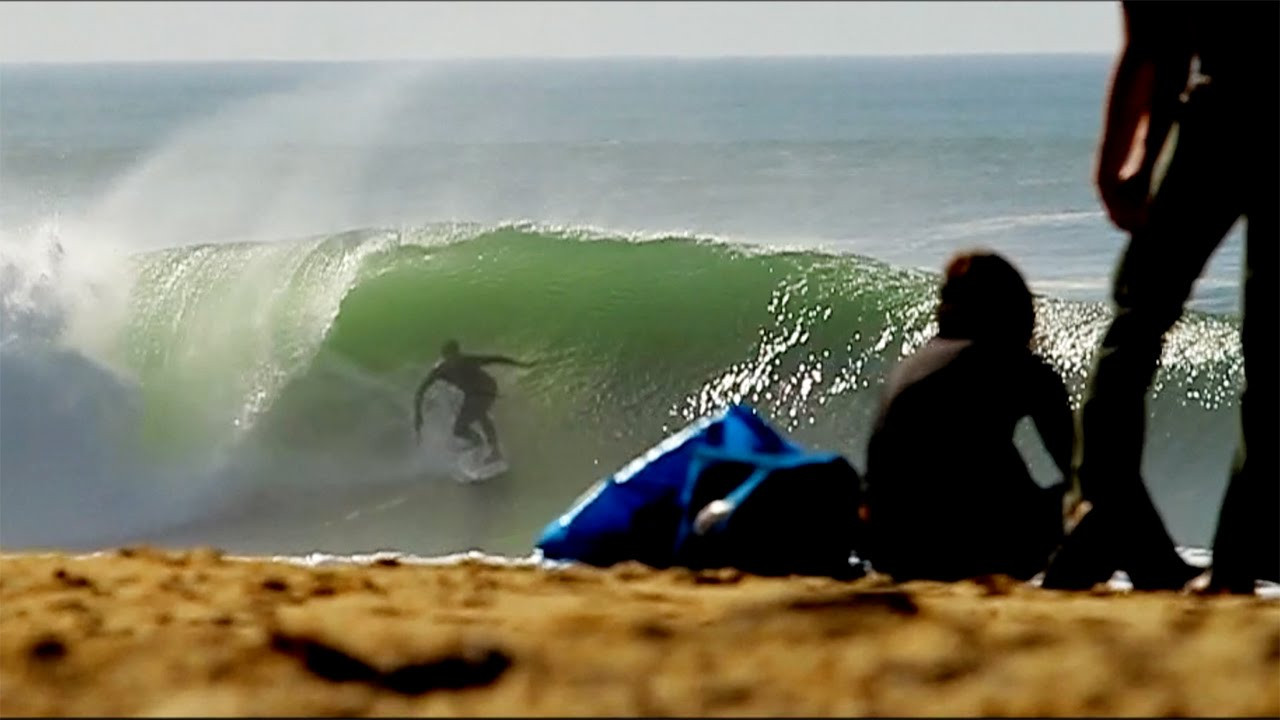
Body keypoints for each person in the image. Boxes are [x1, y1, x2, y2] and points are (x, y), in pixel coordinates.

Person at [1042, 2, 1278, 593]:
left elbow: (1155, 46)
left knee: (1137, 321)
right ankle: (1237, 560)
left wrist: (1124, 168)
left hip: (1222, 112)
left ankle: (1100, 508)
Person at [862, 251, 1073, 582]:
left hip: (891, 551)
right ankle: (1153, 573)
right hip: (969, 553)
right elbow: (1083, 467)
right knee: (1098, 498)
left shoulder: (912, 365)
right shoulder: (1016, 366)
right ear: (1010, 311)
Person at [412, 340, 531, 463]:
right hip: (480, 390)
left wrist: (524, 365)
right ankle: (484, 445)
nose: (454, 359)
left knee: (465, 424)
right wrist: (523, 365)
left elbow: (496, 359)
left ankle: (485, 446)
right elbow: (497, 358)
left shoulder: (449, 366)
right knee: (477, 417)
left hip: (483, 390)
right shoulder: (450, 366)